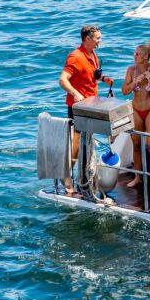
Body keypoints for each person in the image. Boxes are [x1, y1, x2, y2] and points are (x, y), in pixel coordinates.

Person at [58, 25, 113, 195]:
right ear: (87, 39)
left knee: (86, 142)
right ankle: (66, 177)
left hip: (91, 105)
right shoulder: (76, 56)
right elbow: (63, 80)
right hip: (79, 107)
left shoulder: (92, 54)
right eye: (97, 38)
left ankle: (83, 176)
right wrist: (75, 94)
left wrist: (103, 79)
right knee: (76, 143)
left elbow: (92, 76)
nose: (100, 40)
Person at [121, 44, 150, 191]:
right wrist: (135, 82)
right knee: (136, 144)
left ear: (145, 56)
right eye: (135, 53)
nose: (134, 55)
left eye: (137, 54)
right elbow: (124, 91)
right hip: (136, 110)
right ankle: (138, 176)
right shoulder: (131, 70)